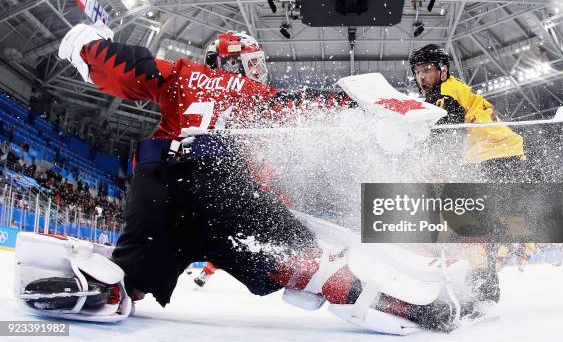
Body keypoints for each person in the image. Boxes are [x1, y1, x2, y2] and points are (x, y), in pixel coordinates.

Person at [14, 23, 481, 334]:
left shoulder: (182, 75)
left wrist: (86, 45)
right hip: (224, 183)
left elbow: (126, 68)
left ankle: (95, 279)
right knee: (308, 266)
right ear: (236, 61)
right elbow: (322, 112)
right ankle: (417, 310)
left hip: (161, 184)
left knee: (133, 282)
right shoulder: (264, 99)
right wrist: (382, 112)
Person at [409, 44, 527, 182]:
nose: (421, 77)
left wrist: (431, 164)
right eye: (417, 72)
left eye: (427, 70)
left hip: (493, 153)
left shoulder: (444, 93)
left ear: (443, 70)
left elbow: (447, 134)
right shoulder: (452, 87)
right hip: (505, 151)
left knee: (457, 200)